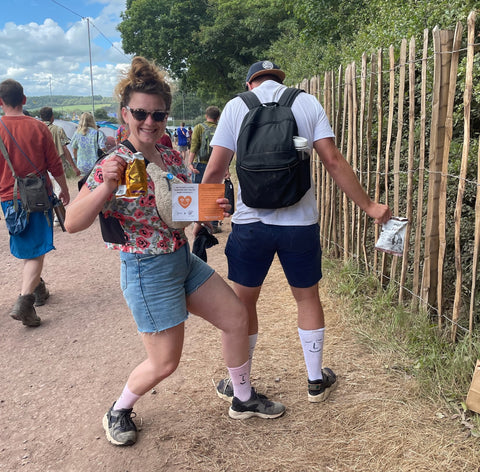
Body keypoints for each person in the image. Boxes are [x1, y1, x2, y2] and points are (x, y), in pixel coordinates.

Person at [64, 56, 285, 447]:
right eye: (140, 113)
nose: (149, 122)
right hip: (146, 269)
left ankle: (243, 397)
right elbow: (71, 222)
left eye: (158, 115)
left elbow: (185, 207)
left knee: (236, 317)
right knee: (165, 362)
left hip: (182, 258)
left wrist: (212, 207)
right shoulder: (111, 164)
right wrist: (105, 189)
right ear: (124, 114)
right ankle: (119, 409)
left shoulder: (167, 157)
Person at [195, 60, 392, 404]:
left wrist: (199, 219)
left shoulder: (236, 107)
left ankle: (241, 384)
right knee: (307, 297)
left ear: (250, 82)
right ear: (279, 80)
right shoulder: (306, 102)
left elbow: (214, 170)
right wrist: (370, 206)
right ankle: (315, 380)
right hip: (299, 224)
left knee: (242, 305)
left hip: (249, 224)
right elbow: (332, 160)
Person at [0, 79, 70, 327]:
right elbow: (55, 164)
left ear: (0, 102)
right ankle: (25, 302)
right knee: (37, 250)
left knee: (27, 243)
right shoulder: (38, 127)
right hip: (38, 197)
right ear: (24, 99)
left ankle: (39, 287)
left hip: (9, 198)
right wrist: (64, 189)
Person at [188, 106, 222, 232]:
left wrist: (190, 162)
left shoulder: (199, 127)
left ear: (206, 116)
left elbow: (194, 145)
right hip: (216, 164)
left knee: (198, 193)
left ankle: (199, 222)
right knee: (214, 193)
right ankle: (214, 223)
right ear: (218, 117)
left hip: (200, 164)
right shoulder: (220, 128)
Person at [39, 107, 81, 178]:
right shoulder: (58, 130)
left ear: (41, 117)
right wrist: (74, 167)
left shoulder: (36, 129)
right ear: (52, 117)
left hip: (41, 167)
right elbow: (65, 149)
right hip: (58, 165)